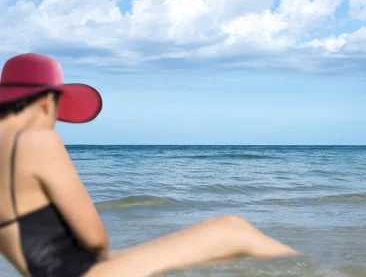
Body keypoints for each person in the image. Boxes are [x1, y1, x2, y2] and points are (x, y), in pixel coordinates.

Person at [0, 53, 299, 277]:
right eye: (56, 110)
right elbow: (96, 241)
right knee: (232, 229)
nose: (54, 121)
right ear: (45, 102)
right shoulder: (36, 140)